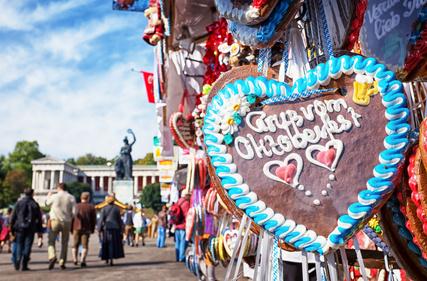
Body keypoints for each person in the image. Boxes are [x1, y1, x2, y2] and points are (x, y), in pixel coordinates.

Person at [9, 188, 43, 271]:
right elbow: (39, 218)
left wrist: (11, 227)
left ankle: (17, 261)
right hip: (30, 227)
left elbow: (13, 216)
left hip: (19, 227)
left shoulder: (19, 203)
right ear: (32, 194)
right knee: (27, 246)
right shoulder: (34, 204)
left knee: (19, 244)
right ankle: (24, 264)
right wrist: (39, 231)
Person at [45, 183, 76, 270]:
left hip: (55, 220)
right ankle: (62, 261)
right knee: (64, 242)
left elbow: (47, 204)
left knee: (51, 241)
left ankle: (52, 256)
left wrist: (48, 196)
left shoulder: (55, 196)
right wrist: (69, 216)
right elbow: (74, 213)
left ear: (59, 188)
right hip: (66, 221)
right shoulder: (71, 197)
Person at [71, 192, 96, 267]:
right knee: (85, 245)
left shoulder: (76, 206)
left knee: (75, 245)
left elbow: (72, 217)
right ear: (88, 198)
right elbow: (93, 220)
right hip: (86, 228)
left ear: (81, 198)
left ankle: (75, 259)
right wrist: (92, 229)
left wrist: (71, 228)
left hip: (76, 227)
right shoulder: (91, 207)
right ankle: (82, 260)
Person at [98, 196, 124, 266]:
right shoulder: (117, 209)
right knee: (114, 243)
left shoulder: (104, 209)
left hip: (107, 228)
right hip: (115, 228)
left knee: (106, 243)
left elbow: (101, 220)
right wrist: (121, 230)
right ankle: (112, 257)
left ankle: (106, 257)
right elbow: (119, 220)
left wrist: (99, 229)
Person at [171, 189, 190, 262]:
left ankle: (177, 256)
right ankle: (181, 257)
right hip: (183, 225)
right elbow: (187, 215)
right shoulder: (186, 203)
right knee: (183, 242)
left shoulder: (178, 201)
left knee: (178, 243)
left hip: (177, 225)